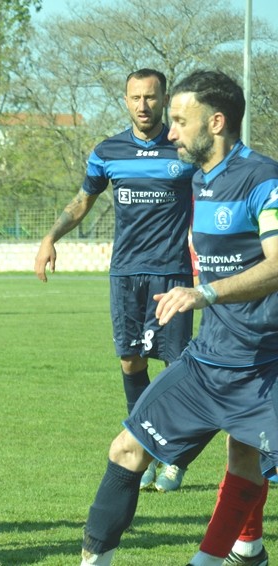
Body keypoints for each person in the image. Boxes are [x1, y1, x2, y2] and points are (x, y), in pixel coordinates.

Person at [79, 69, 278, 566]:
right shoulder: (198, 178)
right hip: (207, 361)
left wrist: (204, 293)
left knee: (245, 459)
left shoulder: (263, 179)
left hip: (265, 365)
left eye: (181, 122)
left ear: (216, 122)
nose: (170, 133)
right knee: (126, 450)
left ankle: (234, 555)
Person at [35, 68, 196, 492]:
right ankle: (142, 451)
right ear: (125, 100)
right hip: (125, 273)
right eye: (135, 97)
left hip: (172, 275)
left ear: (165, 100)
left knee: (176, 367)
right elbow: (83, 199)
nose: (143, 105)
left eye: (151, 97)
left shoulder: (184, 149)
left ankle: (174, 457)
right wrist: (50, 237)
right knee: (130, 361)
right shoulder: (108, 151)